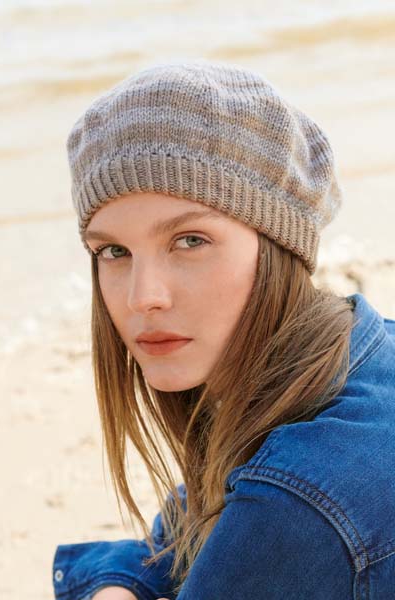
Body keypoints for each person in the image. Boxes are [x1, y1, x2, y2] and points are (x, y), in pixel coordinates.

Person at [51, 59, 395, 600]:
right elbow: (190, 530)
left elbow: (268, 515)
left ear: (279, 243)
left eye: (190, 240)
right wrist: (119, 583)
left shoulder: (298, 500)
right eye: (114, 251)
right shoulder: (357, 350)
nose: (143, 297)